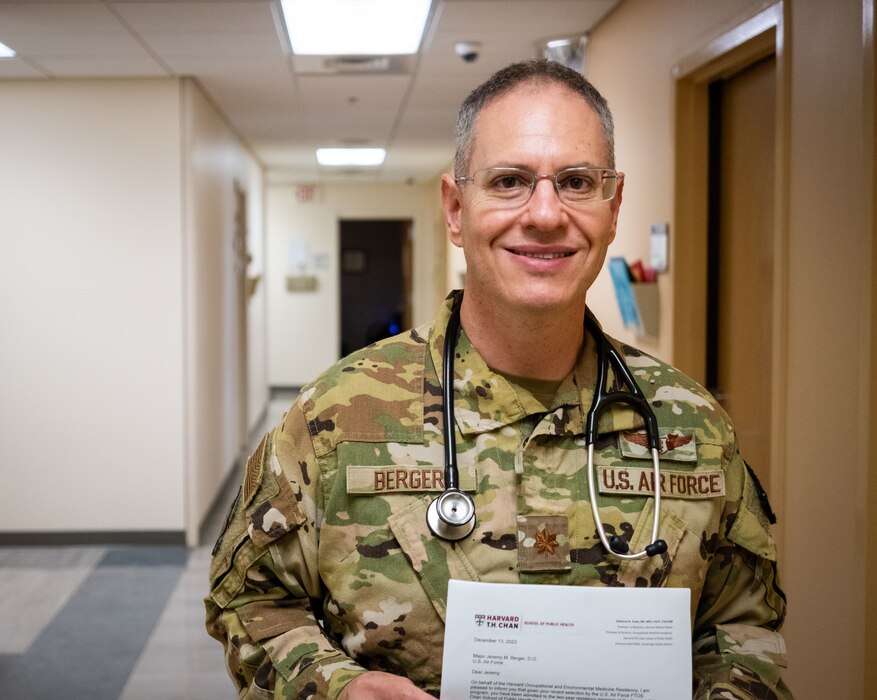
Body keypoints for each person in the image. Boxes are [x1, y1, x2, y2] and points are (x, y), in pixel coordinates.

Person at [205, 59, 790, 699]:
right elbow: (250, 602)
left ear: (613, 205)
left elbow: (741, 631)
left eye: (575, 181)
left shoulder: (691, 425)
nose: (544, 213)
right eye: (509, 181)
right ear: (456, 209)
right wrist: (334, 687)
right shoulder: (339, 418)